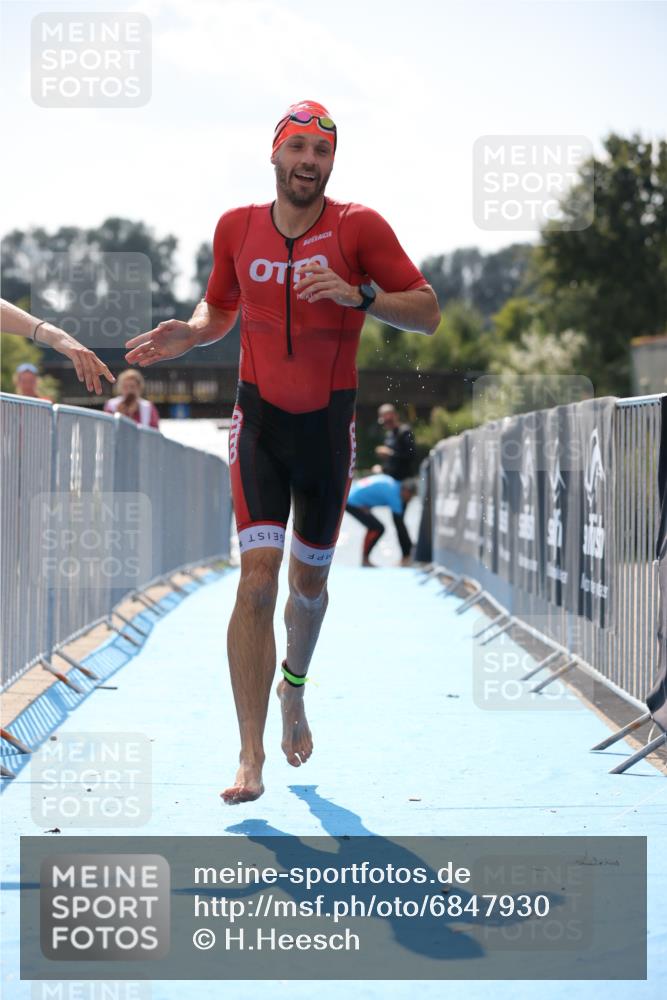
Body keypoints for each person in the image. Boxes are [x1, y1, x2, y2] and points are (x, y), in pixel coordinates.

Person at [124, 99, 441, 804]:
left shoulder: (358, 226)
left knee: (307, 588)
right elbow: (219, 310)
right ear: (274, 155)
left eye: (321, 152)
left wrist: (360, 295)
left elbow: (426, 311)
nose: (308, 162)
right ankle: (250, 753)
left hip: (326, 429)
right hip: (260, 423)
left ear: (331, 164)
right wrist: (191, 333)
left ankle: (292, 687)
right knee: (257, 581)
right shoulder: (236, 227)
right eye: (297, 148)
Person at [1, 298, 115, 395]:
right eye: (24, 381)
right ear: (16, 381)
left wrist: (54, 336)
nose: (27, 385)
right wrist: (54, 336)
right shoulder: (9, 403)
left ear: (36, 381)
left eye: (30, 381)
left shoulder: (45, 402)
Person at [346, 474, 418, 567]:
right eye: (410, 496)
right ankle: (365, 560)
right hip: (352, 502)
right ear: (406, 491)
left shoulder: (392, 483)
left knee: (375, 527)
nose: (409, 500)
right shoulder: (394, 495)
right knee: (377, 528)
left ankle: (365, 559)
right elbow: (400, 526)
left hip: (350, 496)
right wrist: (408, 552)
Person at [375, 403, 417, 481]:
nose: (386, 424)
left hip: (404, 480)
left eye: (389, 421)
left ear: (396, 416)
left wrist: (390, 453)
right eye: (384, 422)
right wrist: (382, 468)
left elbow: (411, 456)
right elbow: (391, 463)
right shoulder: (389, 434)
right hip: (390, 479)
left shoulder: (405, 432)